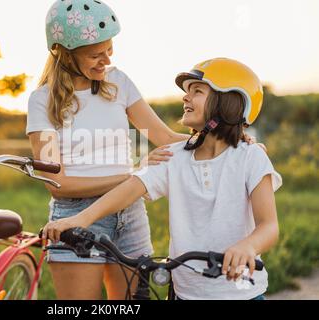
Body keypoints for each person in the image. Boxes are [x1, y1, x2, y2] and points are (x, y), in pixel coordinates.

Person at [42, 58, 282, 300]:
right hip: (185, 294)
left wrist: (248, 246)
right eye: (187, 92)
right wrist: (80, 219)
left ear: (229, 103)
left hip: (243, 293)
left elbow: (269, 226)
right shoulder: (175, 156)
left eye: (197, 91)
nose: (185, 98)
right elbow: (129, 189)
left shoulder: (250, 157)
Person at [26, 0, 188, 300]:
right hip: (75, 214)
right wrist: (132, 178)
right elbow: (57, 184)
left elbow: (164, 136)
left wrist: (224, 138)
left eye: (109, 50)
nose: (106, 60)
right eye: (95, 55)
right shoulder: (43, 102)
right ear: (63, 53)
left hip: (130, 213)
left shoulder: (118, 83)